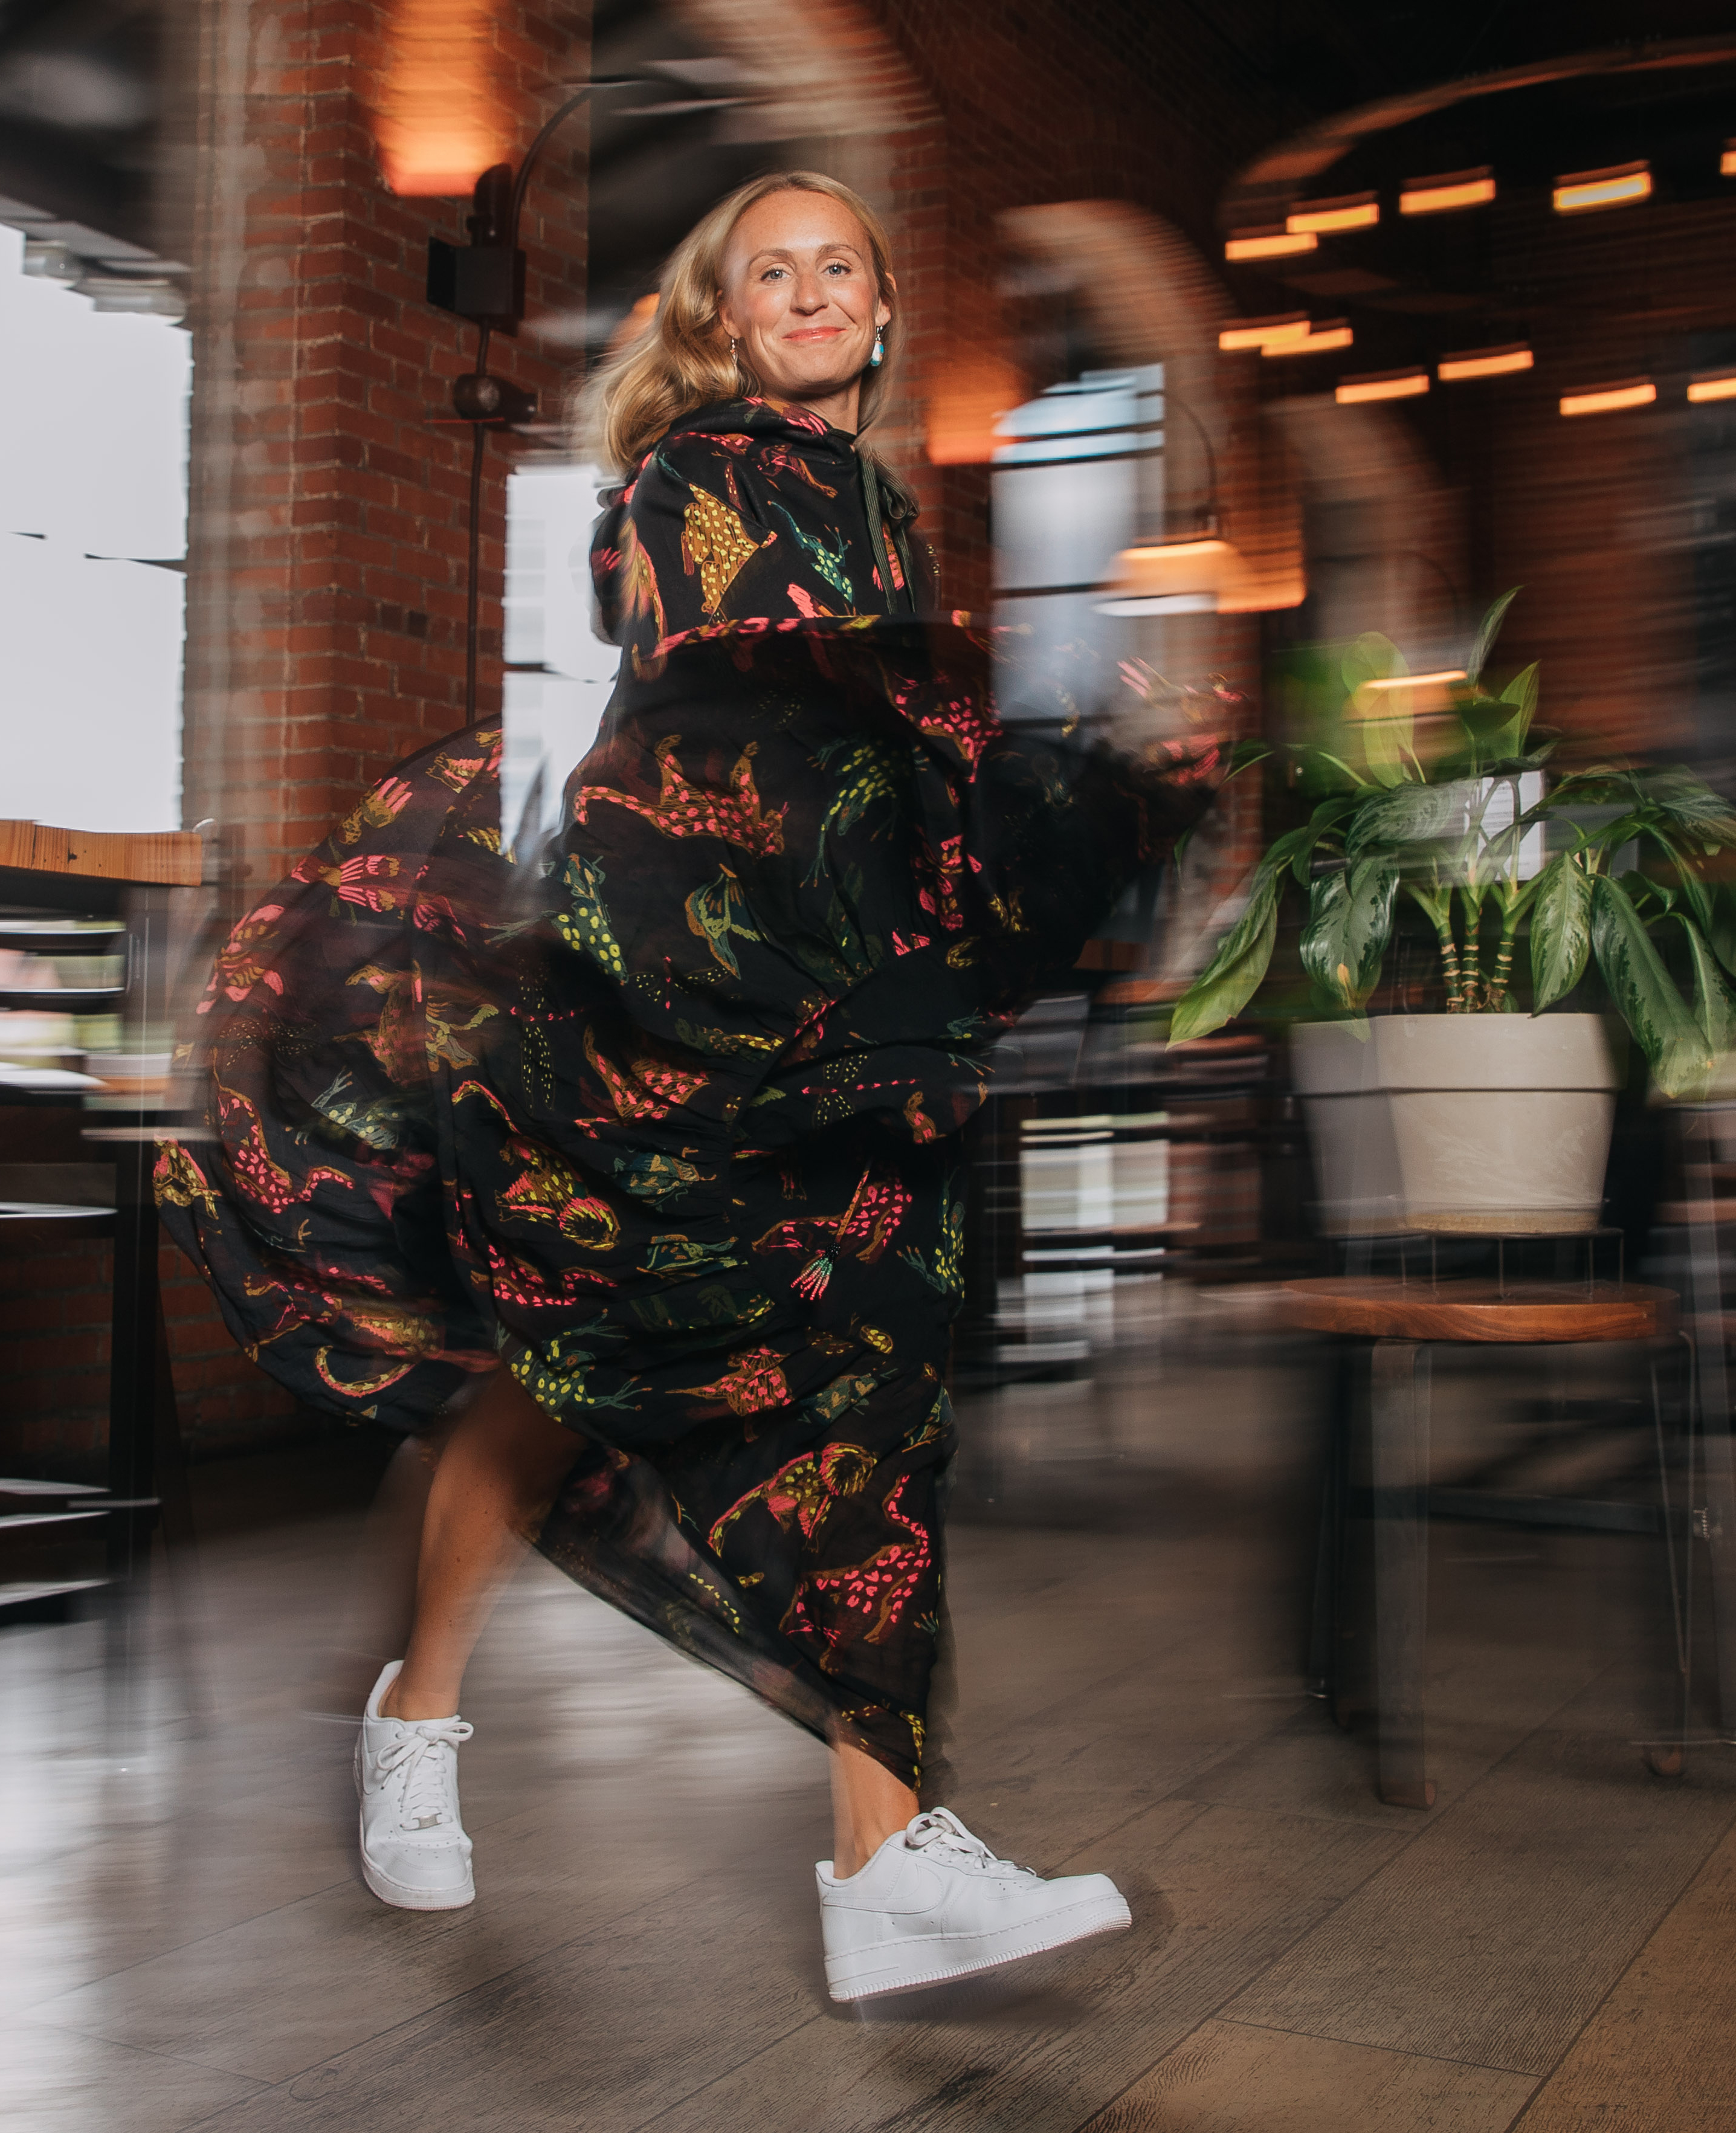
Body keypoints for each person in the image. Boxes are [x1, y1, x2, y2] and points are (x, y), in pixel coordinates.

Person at [157, 170, 1222, 2004]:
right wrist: (1032, 758)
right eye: (773, 273)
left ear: (882, 315)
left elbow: (893, 782)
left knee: (871, 1398)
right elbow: (769, 714)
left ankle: (885, 1865)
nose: (810, 296)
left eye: (841, 271)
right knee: (566, 1373)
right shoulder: (698, 480)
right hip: (662, 1006)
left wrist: (1092, 788)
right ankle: (419, 1715)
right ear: (726, 319)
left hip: (820, 1024)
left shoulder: (878, 508)